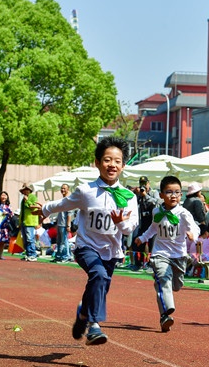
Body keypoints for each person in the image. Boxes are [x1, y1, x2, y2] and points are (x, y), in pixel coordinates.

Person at [32, 137, 138, 345]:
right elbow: (64, 204)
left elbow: (130, 227)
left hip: (111, 251)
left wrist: (119, 223)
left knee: (100, 285)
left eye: (117, 161)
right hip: (86, 247)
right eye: (107, 160)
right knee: (97, 275)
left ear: (123, 166)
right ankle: (94, 326)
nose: (112, 165)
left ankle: (83, 314)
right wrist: (45, 210)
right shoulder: (86, 191)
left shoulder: (129, 197)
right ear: (97, 163)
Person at [134, 175, 199, 332]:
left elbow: (195, 228)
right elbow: (153, 228)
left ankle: (165, 311)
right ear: (161, 195)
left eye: (177, 192)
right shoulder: (157, 210)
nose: (173, 195)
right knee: (163, 280)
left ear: (181, 195)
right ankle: (166, 313)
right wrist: (142, 238)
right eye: (169, 192)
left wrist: (193, 236)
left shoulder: (183, 213)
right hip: (160, 254)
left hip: (179, 256)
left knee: (175, 286)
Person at [51, 184, 74, 263]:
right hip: (60, 224)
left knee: (64, 241)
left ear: (68, 189)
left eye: (64, 188)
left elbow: (69, 214)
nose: (63, 190)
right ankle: (59, 256)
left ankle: (66, 256)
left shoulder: (68, 200)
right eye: (62, 188)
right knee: (59, 241)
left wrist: (68, 225)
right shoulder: (63, 200)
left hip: (64, 224)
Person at [19, 182, 39, 262]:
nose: (25, 191)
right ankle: (28, 254)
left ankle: (33, 254)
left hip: (30, 221)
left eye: (26, 189)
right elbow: (22, 211)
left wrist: (27, 201)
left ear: (29, 190)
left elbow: (34, 207)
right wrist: (20, 222)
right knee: (25, 239)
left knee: (30, 239)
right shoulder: (23, 199)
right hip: (24, 221)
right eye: (24, 190)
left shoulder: (33, 197)